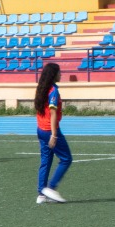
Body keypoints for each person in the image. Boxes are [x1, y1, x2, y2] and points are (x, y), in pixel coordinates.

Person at [34, 62, 71, 203]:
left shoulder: (41, 89)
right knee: (66, 159)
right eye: (59, 72)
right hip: (50, 130)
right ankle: (51, 187)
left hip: (41, 129)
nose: (61, 74)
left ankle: (41, 194)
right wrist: (54, 135)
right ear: (53, 75)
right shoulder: (53, 91)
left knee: (45, 161)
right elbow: (53, 113)